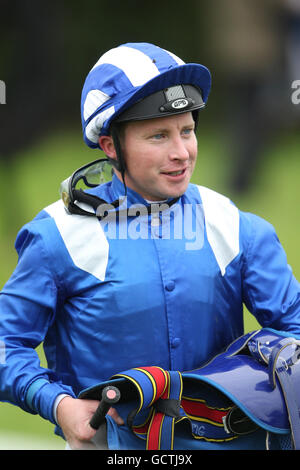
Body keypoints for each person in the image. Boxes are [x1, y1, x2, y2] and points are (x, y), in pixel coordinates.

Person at [0, 42, 300, 451]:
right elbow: (6, 342)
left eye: (187, 131)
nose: (181, 153)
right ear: (110, 146)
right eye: (159, 135)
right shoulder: (56, 236)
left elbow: (295, 327)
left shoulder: (235, 224)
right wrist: (58, 404)